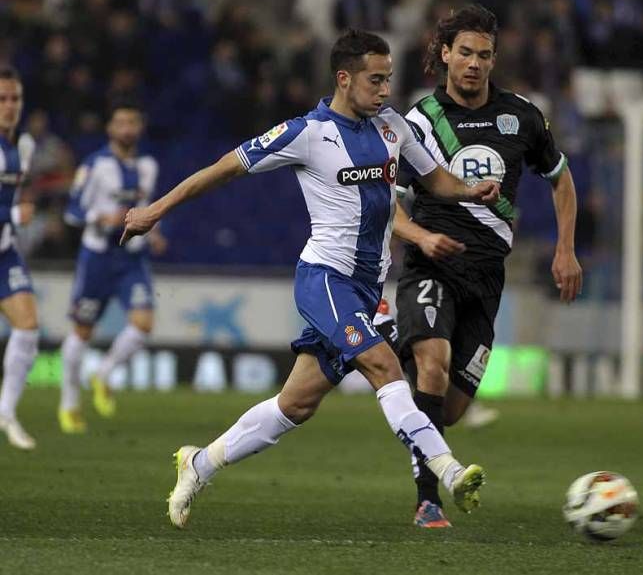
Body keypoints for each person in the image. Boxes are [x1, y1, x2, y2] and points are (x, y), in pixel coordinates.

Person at [120, 29, 500, 529]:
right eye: (376, 80)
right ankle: (448, 472)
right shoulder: (306, 133)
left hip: (365, 289)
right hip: (324, 278)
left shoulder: (392, 127)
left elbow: (435, 180)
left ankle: (200, 462)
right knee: (385, 365)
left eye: (389, 79)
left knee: (296, 405)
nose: (386, 91)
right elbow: (222, 169)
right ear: (345, 79)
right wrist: (157, 210)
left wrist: (472, 191)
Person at [392, 4, 583, 527]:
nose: (475, 64)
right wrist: (423, 237)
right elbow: (387, 207)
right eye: (466, 53)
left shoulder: (521, 115)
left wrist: (565, 249)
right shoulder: (419, 123)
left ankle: (393, 348)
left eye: (485, 55)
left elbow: (561, 180)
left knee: (449, 410)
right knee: (432, 361)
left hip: (486, 278)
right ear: (445, 55)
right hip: (429, 267)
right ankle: (427, 499)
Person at [57, 99, 166, 433]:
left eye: (132, 123)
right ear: (110, 129)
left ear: (140, 128)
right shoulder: (95, 166)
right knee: (82, 331)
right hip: (98, 259)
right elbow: (72, 212)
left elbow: (145, 208)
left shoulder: (148, 165)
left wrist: (156, 232)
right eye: (121, 123)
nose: (127, 129)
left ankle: (103, 373)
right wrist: (102, 217)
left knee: (143, 324)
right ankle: (69, 404)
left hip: (132, 258)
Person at [0, 67, 40, 451]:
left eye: (15, 99)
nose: (10, 106)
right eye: (2, 99)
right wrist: (13, 215)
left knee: (28, 326)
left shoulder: (23, 146)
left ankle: (6, 413)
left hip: (4, 253)